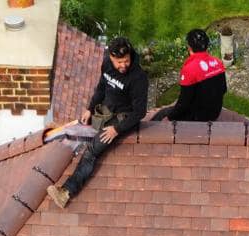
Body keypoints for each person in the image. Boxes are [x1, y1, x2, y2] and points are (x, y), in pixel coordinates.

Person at [46, 37, 148, 208]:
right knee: (79, 130)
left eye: (126, 60)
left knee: (92, 151)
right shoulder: (107, 64)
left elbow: (140, 112)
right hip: (106, 110)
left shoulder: (138, 77)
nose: (123, 65)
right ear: (111, 57)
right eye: (119, 62)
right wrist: (90, 108)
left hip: (123, 119)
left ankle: (66, 193)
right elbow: (101, 88)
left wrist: (117, 129)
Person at [153, 29, 227, 122]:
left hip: (197, 118)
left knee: (161, 115)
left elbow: (183, 103)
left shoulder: (189, 69)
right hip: (215, 113)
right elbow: (223, 89)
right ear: (207, 45)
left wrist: (169, 118)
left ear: (189, 47)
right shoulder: (218, 63)